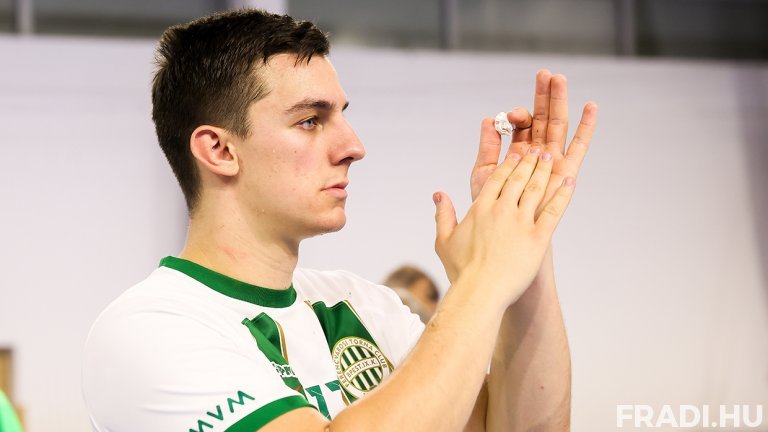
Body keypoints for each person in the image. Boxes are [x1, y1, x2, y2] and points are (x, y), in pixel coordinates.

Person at [82, 9, 597, 431]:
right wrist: (482, 282)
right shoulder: (147, 331)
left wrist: (525, 231)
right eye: (310, 120)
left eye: (342, 115)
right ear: (219, 150)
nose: (353, 146)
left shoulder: (362, 305)